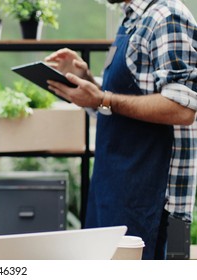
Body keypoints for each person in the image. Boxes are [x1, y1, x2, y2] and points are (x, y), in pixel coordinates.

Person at [45, 0, 197, 259]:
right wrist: (88, 83)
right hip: (115, 190)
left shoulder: (167, 16)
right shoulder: (131, 19)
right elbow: (117, 104)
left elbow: (182, 108)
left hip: (154, 203)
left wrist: (103, 99)